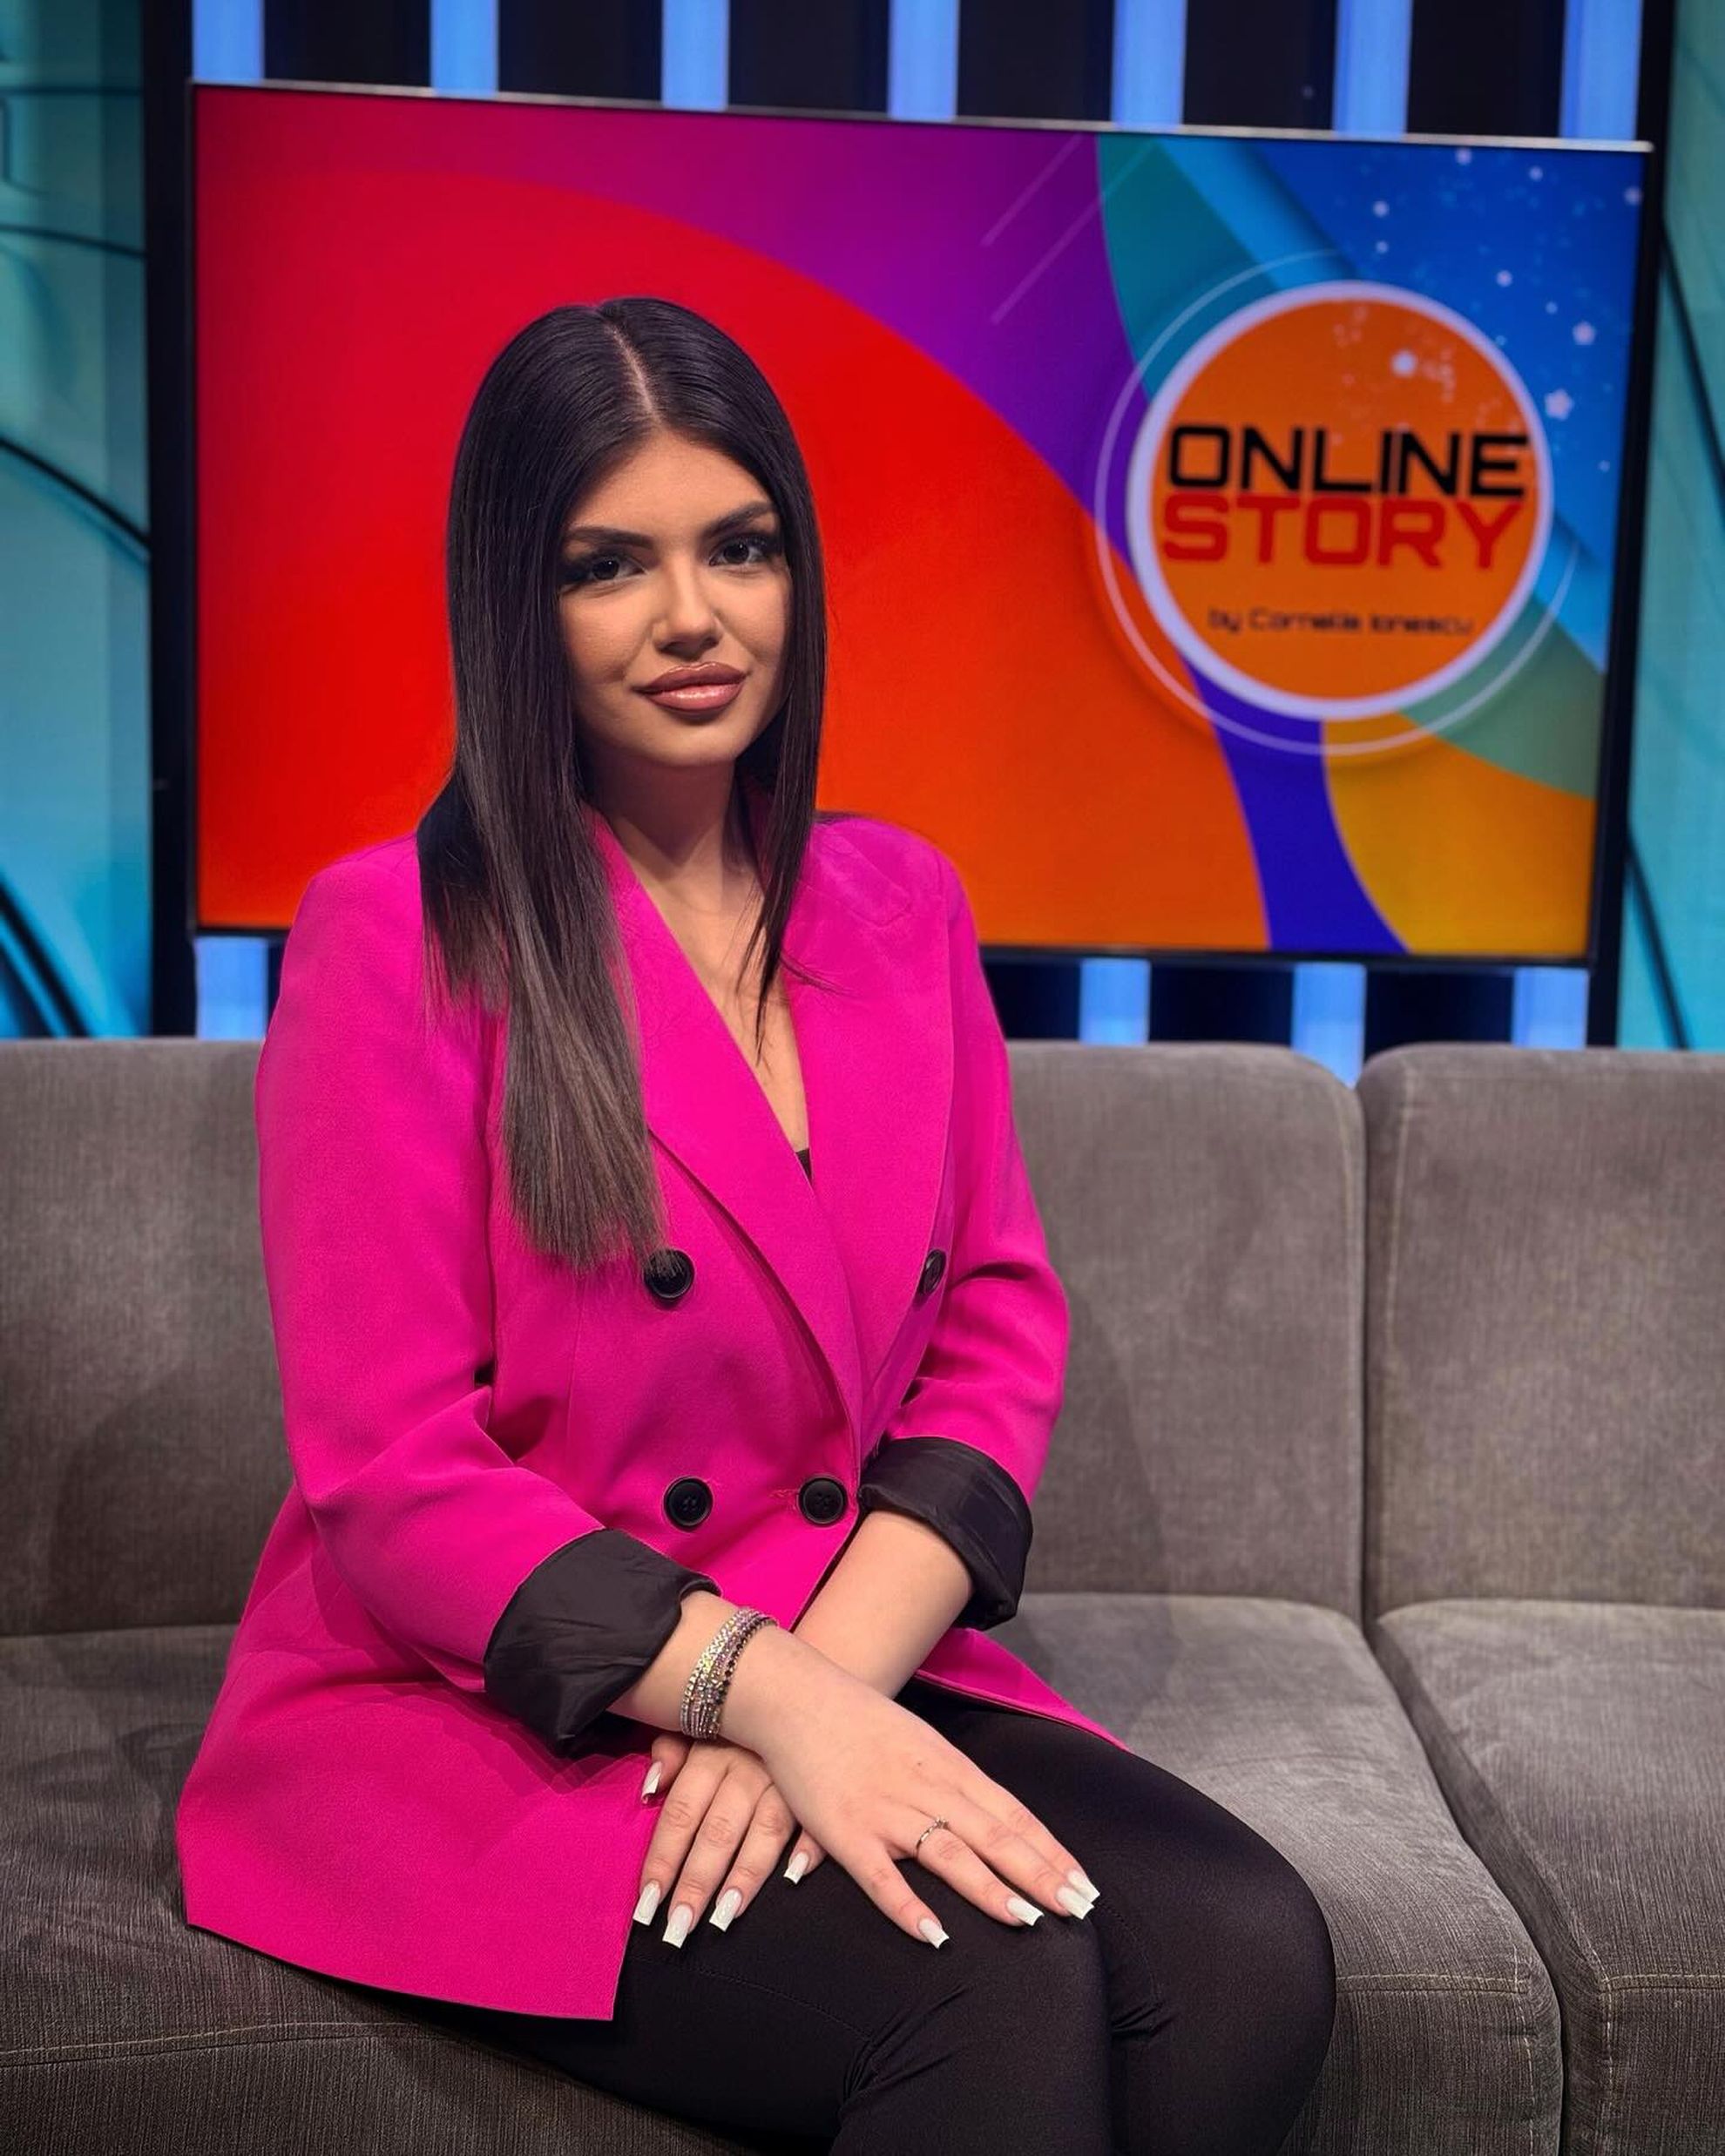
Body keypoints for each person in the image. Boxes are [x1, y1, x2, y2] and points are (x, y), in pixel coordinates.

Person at [176, 297, 1336, 2153]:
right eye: (608, 566)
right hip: (496, 1705)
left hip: (822, 1639)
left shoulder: (903, 902)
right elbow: (394, 1471)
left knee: (1248, 1959)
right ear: (516, 602)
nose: (692, 617)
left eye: (739, 547)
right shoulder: (394, 933)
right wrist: (743, 1688)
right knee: (991, 1981)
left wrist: (815, 1698)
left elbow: (995, 1329)